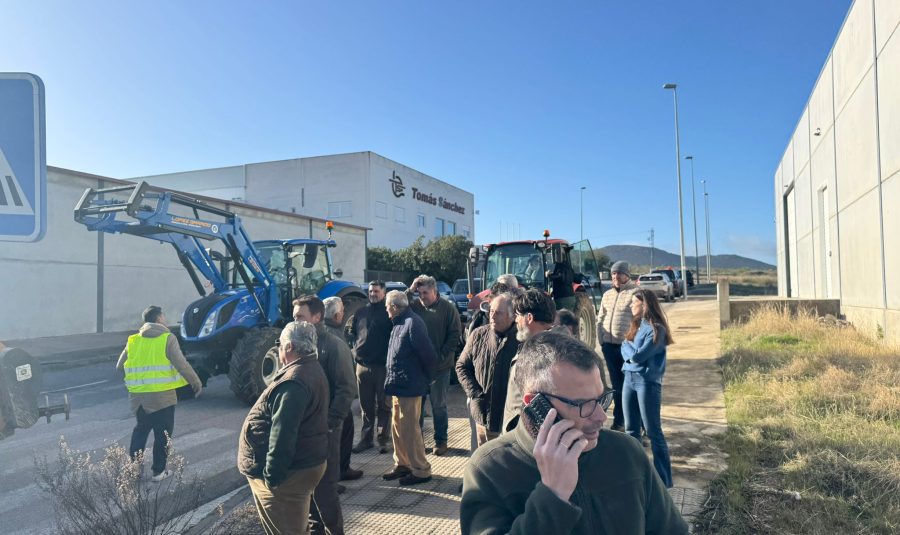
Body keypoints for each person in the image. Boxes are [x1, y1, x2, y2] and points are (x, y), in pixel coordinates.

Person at [460, 331, 689, 535]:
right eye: (583, 404)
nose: (601, 416)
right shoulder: (489, 469)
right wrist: (553, 496)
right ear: (536, 404)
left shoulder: (626, 452)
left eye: (601, 399)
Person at [237, 321, 329, 535]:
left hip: (287, 476)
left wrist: (272, 478)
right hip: (304, 464)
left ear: (289, 347)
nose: (278, 348)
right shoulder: (310, 368)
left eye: (280, 344)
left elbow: (283, 434)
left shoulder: (294, 381)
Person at [293, 296, 356, 535]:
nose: (295, 320)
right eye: (294, 316)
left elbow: (346, 389)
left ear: (317, 317)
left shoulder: (332, 345)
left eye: (300, 316)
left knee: (325, 490)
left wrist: (330, 423)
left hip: (326, 431)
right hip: (305, 431)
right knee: (307, 488)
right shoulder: (298, 342)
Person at [117, 305, 202, 482]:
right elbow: (182, 364)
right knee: (162, 434)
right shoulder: (167, 338)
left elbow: (119, 366)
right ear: (158, 319)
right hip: (162, 397)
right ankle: (158, 471)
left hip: (138, 398)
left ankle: (134, 470)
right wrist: (195, 382)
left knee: (140, 431)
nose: (165, 318)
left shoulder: (133, 340)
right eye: (163, 315)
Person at [382, 290, 438, 486]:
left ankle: (421, 469)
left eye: (387, 307)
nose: (386, 311)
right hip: (398, 385)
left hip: (411, 386)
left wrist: (428, 379)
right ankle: (403, 463)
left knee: (410, 429)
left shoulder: (412, 323)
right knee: (397, 426)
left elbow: (429, 355)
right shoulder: (399, 322)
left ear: (395, 307)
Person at [622, 289, 676, 488]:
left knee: (653, 432)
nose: (630, 306)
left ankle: (664, 480)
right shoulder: (636, 325)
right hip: (629, 379)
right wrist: (630, 351)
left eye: (633, 303)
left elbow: (637, 356)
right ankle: (634, 476)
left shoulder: (657, 330)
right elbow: (624, 347)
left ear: (644, 305)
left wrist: (630, 352)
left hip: (647, 383)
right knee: (631, 432)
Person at [407, 274, 462, 456]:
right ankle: (417, 441)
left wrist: (440, 356)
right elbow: (398, 305)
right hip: (419, 368)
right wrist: (410, 290)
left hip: (440, 368)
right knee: (418, 408)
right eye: (419, 292)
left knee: (438, 406)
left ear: (435, 291)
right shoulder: (413, 307)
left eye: (425, 292)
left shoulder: (448, 309)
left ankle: (441, 441)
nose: (422, 296)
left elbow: (455, 335)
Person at [456, 292, 519, 445]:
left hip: (509, 420)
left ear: (512, 316)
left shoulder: (522, 340)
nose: (492, 316)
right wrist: (476, 394)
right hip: (483, 416)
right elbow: (461, 366)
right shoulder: (478, 335)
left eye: (498, 313)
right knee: (484, 462)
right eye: (491, 311)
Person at [500, 289, 564, 433]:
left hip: (529, 438)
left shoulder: (547, 353)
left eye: (517, 315)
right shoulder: (548, 345)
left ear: (529, 317)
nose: (515, 320)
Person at [348, 281, 394, 454]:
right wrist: (355, 351)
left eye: (376, 291)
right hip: (362, 366)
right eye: (370, 291)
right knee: (365, 406)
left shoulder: (388, 312)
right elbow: (353, 333)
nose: (373, 293)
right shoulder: (361, 312)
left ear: (384, 293)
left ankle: (383, 440)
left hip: (382, 367)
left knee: (384, 405)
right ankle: (366, 440)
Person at [322, 296, 363, 483]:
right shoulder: (335, 337)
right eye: (342, 312)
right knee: (340, 437)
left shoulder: (321, 332)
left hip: (327, 397)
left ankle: (340, 471)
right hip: (337, 399)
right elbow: (345, 381)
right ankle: (339, 473)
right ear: (338, 315)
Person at [596, 260, 638, 431]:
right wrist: (602, 340)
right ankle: (619, 422)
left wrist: (633, 343)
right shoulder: (607, 295)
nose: (615, 276)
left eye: (619, 273)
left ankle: (634, 425)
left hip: (627, 349)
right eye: (613, 273)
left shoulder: (635, 293)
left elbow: (639, 320)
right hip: (609, 347)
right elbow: (600, 319)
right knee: (617, 387)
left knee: (631, 387)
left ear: (627, 275)